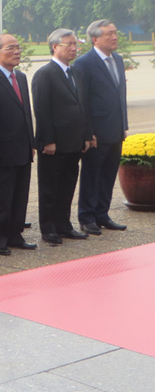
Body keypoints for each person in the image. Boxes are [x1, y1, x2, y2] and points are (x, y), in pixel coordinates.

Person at [0, 34, 38, 256]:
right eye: (10, 48)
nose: (16, 52)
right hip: (1, 152)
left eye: (18, 48)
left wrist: (31, 143)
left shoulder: (20, 77)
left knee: (19, 195)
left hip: (22, 148)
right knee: (0, 197)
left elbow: (26, 114)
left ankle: (15, 234)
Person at [33, 29, 92, 244]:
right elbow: (42, 110)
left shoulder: (75, 72)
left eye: (75, 44)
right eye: (69, 44)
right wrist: (48, 140)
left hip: (74, 142)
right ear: (55, 46)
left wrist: (86, 135)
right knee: (50, 188)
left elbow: (83, 105)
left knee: (67, 186)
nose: (74, 48)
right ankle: (49, 228)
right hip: (54, 144)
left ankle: (64, 225)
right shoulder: (45, 74)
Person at [72, 19, 128, 235]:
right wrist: (88, 131)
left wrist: (123, 124)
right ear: (95, 39)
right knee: (91, 174)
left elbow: (118, 95)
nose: (114, 37)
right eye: (109, 34)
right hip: (96, 131)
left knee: (108, 174)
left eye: (115, 33)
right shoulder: (84, 63)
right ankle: (87, 217)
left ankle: (102, 214)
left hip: (115, 129)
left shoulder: (118, 60)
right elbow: (82, 100)